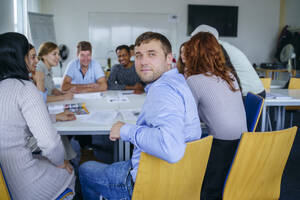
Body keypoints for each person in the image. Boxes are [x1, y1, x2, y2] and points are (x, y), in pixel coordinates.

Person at [78, 32, 202, 200]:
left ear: (168, 58)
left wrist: (124, 130)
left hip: (147, 185)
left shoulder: (162, 90)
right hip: (178, 181)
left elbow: (171, 149)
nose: (143, 61)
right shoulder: (178, 81)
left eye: (152, 54)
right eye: (138, 55)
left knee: (85, 169)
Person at [0, 32, 75, 200]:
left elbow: (16, 120)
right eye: (29, 55)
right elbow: (49, 143)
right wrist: (61, 162)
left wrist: (55, 117)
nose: (33, 60)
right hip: (21, 184)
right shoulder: (24, 88)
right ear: (19, 57)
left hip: (2, 180)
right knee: (69, 173)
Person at [184, 32, 248, 200]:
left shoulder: (194, 80)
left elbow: (188, 117)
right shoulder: (230, 76)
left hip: (221, 148)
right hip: (245, 145)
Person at [26, 43, 77, 161]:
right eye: (54, 54)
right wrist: (64, 98)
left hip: (45, 112)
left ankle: (69, 160)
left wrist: (62, 93)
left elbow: (51, 89)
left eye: (58, 54)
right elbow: (42, 98)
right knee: (57, 131)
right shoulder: (39, 69)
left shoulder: (48, 68)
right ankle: (67, 161)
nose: (58, 57)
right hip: (39, 119)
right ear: (43, 56)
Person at [191, 24, 265, 98]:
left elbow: (215, 74)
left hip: (249, 93)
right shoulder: (219, 46)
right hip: (250, 91)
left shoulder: (217, 49)